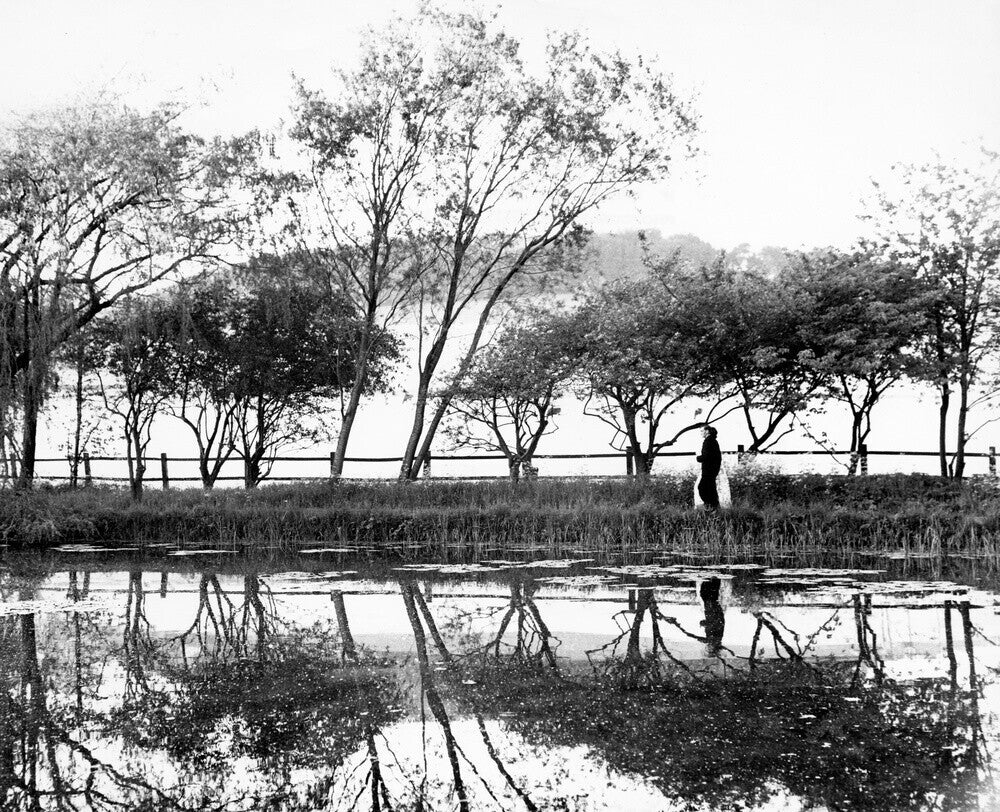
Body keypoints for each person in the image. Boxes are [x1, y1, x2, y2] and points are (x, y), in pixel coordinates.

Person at [696, 424, 722, 510]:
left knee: (702, 488)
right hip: (713, 469)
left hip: (709, 470)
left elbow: (707, 456)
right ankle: (714, 507)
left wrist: (698, 458)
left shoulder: (708, 441)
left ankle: (710, 506)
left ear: (707, 431)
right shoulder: (713, 440)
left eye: (702, 431)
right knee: (710, 488)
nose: (701, 433)